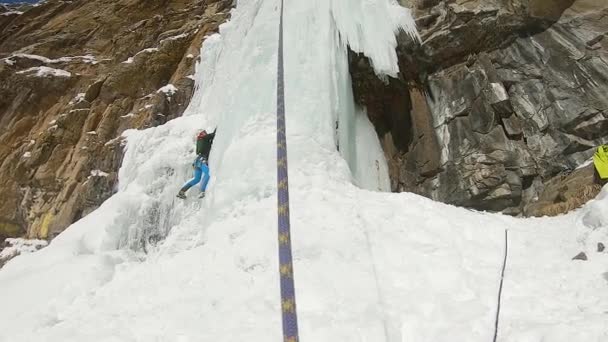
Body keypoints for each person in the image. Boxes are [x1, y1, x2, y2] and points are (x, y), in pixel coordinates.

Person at [177, 129, 216, 199]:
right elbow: (213, 135)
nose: (205, 134)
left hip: (197, 162)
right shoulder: (204, 137)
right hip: (202, 160)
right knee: (208, 173)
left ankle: (182, 191)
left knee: (197, 179)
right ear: (202, 134)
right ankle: (202, 191)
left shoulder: (199, 140)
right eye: (204, 133)